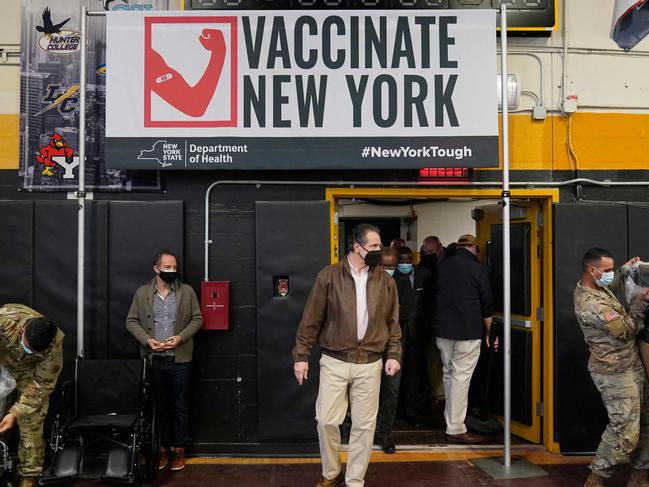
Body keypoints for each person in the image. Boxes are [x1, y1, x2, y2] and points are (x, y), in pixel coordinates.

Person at [293, 224, 401, 487]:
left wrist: (394, 354)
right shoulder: (329, 276)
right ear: (357, 247)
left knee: (364, 427)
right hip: (335, 361)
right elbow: (311, 319)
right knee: (326, 421)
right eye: (374, 246)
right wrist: (301, 355)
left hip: (371, 364)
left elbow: (393, 323)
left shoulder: (385, 280)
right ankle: (332, 472)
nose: (380, 251)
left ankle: (355, 480)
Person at [574, 248, 649, 487]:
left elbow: (612, 286)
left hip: (632, 365)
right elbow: (626, 331)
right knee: (624, 429)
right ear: (591, 270)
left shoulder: (598, 286)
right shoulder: (590, 303)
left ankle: (640, 477)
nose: (610, 274)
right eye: (606, 270)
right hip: (614, 372)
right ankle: (596, 479)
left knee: (645, 422)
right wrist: (640, 303)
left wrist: (624, 270)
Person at [126, 250, 202, 472]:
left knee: (180, 407)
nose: (172, 271)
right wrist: (147, 340)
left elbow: (198, 318)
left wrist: (180, 338)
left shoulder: (186, 292)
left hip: (180, 360)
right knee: (159, 408)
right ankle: (161, 450)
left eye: (174, 267)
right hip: (154, 360)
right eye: (167, 267)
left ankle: (178, 450)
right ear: (156, 269)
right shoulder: (142, 294)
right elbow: (131, 321)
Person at [434, 234, 494, 444]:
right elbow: (486, 301)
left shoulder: (442, 266)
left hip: (443, 330)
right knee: (461, 378)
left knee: (449, 374)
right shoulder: (478, 268)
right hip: (467, 331)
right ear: (474, 248)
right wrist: (489, 331)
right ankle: (456, 428)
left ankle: (451, 422)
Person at [0, 304, 63, 487]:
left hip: (30, 375)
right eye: (27, 348)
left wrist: (15, 413)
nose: (27, 352)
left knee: (31, 424)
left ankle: (29, 477)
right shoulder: (5, 319)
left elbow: (41, 385)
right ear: (22, 332)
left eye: (32, 352)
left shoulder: (53, 346)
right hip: (2, 366)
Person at [393, 246, 435, 427]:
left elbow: (430, 303)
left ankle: (411, 412)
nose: (405, 263)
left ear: (414, 259)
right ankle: (393, 414)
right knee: (394, 377)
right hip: (397, 334)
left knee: (414, 376)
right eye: (401, 260)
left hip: (418, 334)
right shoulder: (391, 278)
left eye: (408, 260)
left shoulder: (425, 275)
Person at [375, 247, 401, 453]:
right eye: (384, 266)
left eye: (392, 266)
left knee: (391, 390)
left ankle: (384, 432)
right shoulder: (367, 283)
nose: (388, 270)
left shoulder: (395, 283)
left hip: (393, 344)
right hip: (370, 347)